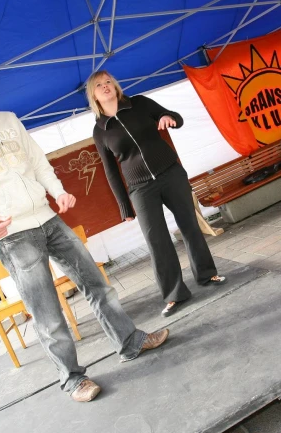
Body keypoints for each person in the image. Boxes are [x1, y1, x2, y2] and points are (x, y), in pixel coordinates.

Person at [0, 53, 168, 403]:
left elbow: (38, 162)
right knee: (47, 313)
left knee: (97, 285)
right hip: (14, 236)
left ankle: (130, 342)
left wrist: (58, 192)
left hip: (49, 219)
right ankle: (73, 379)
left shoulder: (8, 120)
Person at [89, 70, 226, 318]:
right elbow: (110, 171)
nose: (106, 86)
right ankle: (174, 294)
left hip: (171, 173)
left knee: (190, 226)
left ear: (116, 85)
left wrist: (166, 116)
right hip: (140, 189)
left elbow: (177, 118)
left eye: (109, 81)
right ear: (94, 95)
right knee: (157, 241)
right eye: (99, 85)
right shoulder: (100, 130)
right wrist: (124, 206)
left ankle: (207, 275)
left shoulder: (139, 103)